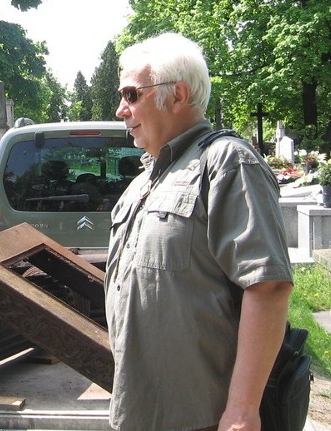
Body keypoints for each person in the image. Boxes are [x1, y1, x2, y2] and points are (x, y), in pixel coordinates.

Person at [105, 33, 294, 431]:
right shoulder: (146, 179)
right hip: (139, 411)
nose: (121, 109)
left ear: (177, 95)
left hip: (202, 418)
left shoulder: (226, 162)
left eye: (131, 94)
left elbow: (268, 286)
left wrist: (242, 413)